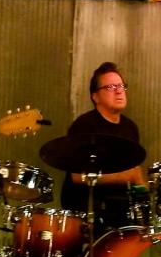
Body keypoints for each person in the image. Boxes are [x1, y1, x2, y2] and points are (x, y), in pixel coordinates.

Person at [60, 62, 146, 235]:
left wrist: (147, 194)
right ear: (95, 97)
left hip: (121, 210)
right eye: (110, 87)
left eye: (121, 86)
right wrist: (125, 176)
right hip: (88, 211)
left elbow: (136, 173)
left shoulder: (130, 128)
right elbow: (77, 177)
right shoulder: (84, 126)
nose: (119, 90)